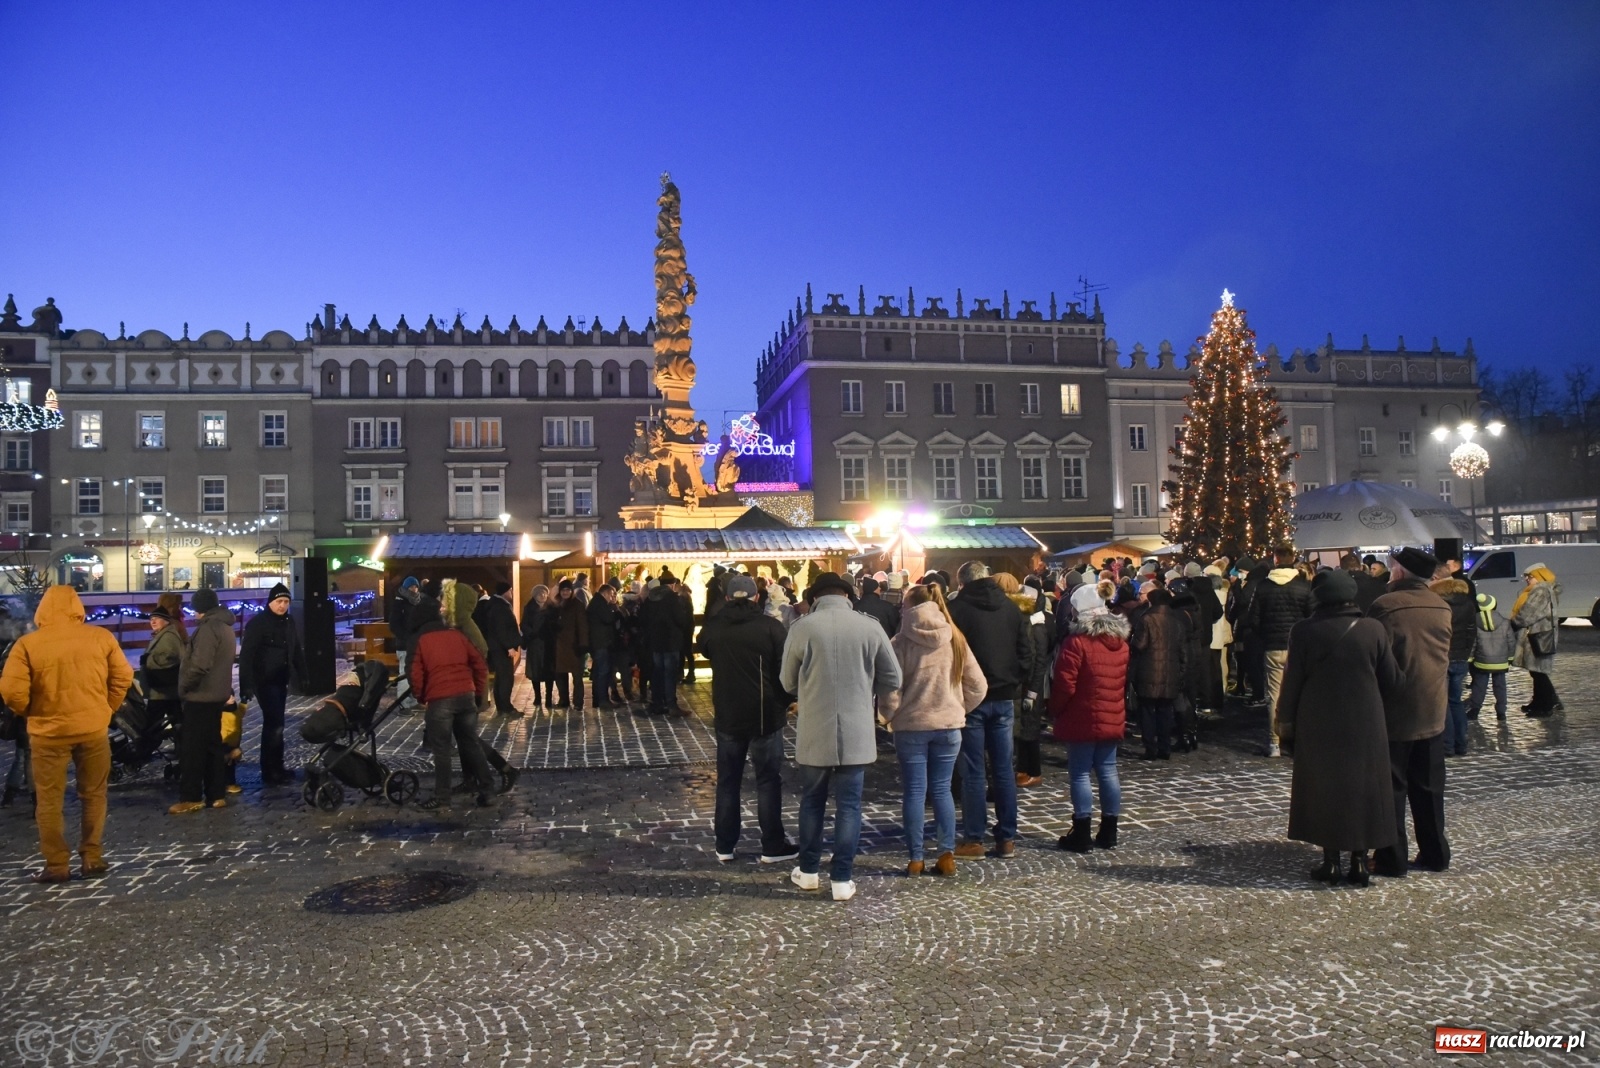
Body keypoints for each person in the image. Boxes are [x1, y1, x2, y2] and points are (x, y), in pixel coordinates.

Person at [1275, 569, 1400, 888]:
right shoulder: (1372, 629)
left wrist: (1284, 722)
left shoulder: (1304, 631)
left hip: (1318, 721)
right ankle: (1359, 861)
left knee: (1325, 789)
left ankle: (1330, 861)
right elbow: (1393, 680)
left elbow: (1292, 681)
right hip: (1365, 720)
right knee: (1363, 788)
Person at [781, 572, 901, 901]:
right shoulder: (870, 626)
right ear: (848, 595)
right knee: (849, 807)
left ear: (815, 597)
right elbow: (894, 676)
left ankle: (807, 872)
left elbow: (787, 681)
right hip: (857, 730)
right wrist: (864, 685)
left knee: (812, 803)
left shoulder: (802, 627)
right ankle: (841, 879)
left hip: (814, 729)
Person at [0, 586, 132, 882]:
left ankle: (57, 864)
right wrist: (105, 708)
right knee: (94, 794)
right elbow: (123, 676)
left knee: (49, 801)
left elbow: (10, 690)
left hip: (48, 733)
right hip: (92, 729)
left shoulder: (28, 644)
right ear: (77, 607)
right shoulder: (101, 638)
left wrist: (31, 710)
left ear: (43, 610)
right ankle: (92, 856)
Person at [881, 583, 985, 878]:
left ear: (910, 608)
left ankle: (916, 859)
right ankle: (946, 855)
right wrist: (957, 709)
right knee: (942, 790)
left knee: (914, 791)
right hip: (948, 726)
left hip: (911, 726)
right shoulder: (955, 638)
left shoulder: (899, 642)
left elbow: (891, 692)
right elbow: (978, 685)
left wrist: (886, 717)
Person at [698, 574, 798, 864]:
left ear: (728, 598)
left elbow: (704, 647)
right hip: (765, 715)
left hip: (728, 714)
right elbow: (784, 672)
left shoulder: (714, 628)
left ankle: (725, 844)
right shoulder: (771, 627)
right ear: (757, 597)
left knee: (728, 781)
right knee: (768, 781)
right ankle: (772, 845)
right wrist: (785, 701)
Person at [1366, 547, 1453, 877]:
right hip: (1433, 707)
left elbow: (1377, 658)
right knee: (1429, 788)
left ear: (1399, 572)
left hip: (1395, 711)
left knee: (1391, 788)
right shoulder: (1440, 605)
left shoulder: (1386, 606)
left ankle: (1392, 858)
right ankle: (1436, 853)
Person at [946, 561, 1034, 860]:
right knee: (1003, 770)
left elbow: (951, 655)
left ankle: (974, 838)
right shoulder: (1011, 608)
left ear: (962, 583)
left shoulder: (957, 611)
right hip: (1005, 696)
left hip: (972, 698)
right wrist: (1013, 680)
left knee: (973, 771)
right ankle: (1006, 838)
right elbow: (1027, 652)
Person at [1049, 599, 1132, 853]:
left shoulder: (1076, 643)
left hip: (1081, 715)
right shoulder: (1120, 644)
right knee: (1108, 771)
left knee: (1080, 773)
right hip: (1111, 713)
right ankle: (1109, 830)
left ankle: (1082, 831)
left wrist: (1054, 710)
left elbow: (1065, 685)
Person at [408, 596, 496, 810]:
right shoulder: (457, 634)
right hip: (465, 695)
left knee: (442, 750)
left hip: (440, 699)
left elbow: (415, 673)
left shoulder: (421, 639)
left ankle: (442, 797)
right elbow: (479, 664)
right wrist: (476, 691)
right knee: (471, 744)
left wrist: (421, 696)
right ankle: (487, 789)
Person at [172, 588, 236, 815]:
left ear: (200, 607)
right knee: (212, 748)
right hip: (216, 694)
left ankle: (190, 797)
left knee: (193, 750)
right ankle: (216, 794)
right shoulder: (225, 626)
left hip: (201, 696)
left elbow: (200, 665)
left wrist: (184, 686)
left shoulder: (208, 629)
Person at [1246, 547, 1314, 757]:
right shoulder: (1304, 586)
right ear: (1292, 560)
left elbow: (1253, 618)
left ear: (1275, 559)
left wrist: (1266, 636)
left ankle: (1275, 742)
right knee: (1301, 692)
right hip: (1299, 647)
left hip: (1273, 646)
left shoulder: (1263, 586)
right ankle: (1299, 739)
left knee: (1274, 694)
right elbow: (1312, 616)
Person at [238, 582, 307, 786]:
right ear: (270, 602)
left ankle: (276, 766)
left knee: (277, 724)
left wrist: (302, 674)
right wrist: (246, 685)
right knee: (274, 724)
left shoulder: (289, 621)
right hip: (264, 680)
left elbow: (295, 649)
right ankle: (270, 770)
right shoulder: (258, 623)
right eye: (279, 601)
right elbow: (247, 655)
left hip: (280, 678)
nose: (282, 605)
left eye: (286, 602)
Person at [997, 574, 1053, 788]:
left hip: (1031, 687)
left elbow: (1038, 662)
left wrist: (1032, 692)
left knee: (1029, 731)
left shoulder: (1037, 626)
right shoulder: (1026, 623)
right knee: (1022, 731)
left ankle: (1033, 771)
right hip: (1023, 686)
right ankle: (1023, 768)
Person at [1129, 587, 1188, 761]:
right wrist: (1181, 672)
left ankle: (1150, 748)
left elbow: (1139, 645)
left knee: (1147, 711)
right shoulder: (1177, 621)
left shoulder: (1146, 619)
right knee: (1165, 711)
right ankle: (1165, 747)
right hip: (1170, 673)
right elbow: (1183, 651)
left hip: (1147, 672)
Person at [1429, 565, 1477, 757]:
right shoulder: (1467, 601)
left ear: (1435, 578)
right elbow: (1472, 631)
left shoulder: (1438, 602)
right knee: (1455, 701)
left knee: (1444, 703)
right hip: (1461, 658)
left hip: (1443, 657)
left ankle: (1447, 745)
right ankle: (1461, 744)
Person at [1510, 563, 1562, 716]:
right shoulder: (1545, 589)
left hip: (1536, 635)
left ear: (1540, 576)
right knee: (1537, 672)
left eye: (1530, 576)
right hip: (1538, 633)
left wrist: (1514, 622)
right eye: (1526, 576)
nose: (1527, 579)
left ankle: (1545, 706)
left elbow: (1528, 614)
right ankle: (1539, 702)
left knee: (1539, 673)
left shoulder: (1540, 591)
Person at [639, 574, 692, 717]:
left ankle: (657, 703)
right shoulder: (672, 598)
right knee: (670, 674)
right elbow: (681, 619)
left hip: (655, 643)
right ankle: (671, 704)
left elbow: (643, 618)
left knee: (657, 672)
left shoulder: (650, 598)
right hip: (670, 642)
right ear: (672, 585)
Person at [141, 599, 187, 750]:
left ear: (166, 621)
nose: (153, 622)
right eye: (151, 619)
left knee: (153, 723)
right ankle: (183, 749)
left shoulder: (168, 636)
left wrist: (148, 660)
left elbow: (171, 656)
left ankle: (144, 750)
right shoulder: (163, 634)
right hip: (166, 689)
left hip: (163, 690)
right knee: (177, 721)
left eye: (156, 619)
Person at [473, 581, 522, 717]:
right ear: (505, 591)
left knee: (501, 678)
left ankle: (503, 707)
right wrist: (509, 646)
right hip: (501, 648)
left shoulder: (495, 604)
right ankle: (505, 708)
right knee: (505, 678)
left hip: (498, 647)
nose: (511, 592)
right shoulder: (499, 607)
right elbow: (501, 629)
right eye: (510, 590)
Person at [1468, 592, 1514, 723]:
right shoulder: (1505, 623)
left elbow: (1473, 643)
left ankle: (1475, 710)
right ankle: (1501, 712)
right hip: (1501, 663)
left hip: (1482, 662)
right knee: (1500, 687)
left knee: (1479, 686)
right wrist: (1510, 658)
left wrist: (1470, 659)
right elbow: (1511, 642)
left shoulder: (1475, 622)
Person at [549, 579, 590, 711]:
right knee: (560, 675)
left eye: (567, 590)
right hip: (559, 647)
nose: (565, 592)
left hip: (574, 645)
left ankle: (578, 702)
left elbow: (582, 626)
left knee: (577, 677)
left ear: (571, 591)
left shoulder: (577, 605)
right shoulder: (556, 605)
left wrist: (583, 644)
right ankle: (564, 700)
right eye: (563, 590)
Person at [586, 582, 622, 710]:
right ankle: (603, 700)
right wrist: (616, 612)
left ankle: (599, 699)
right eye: (611, 594)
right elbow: (608, 619)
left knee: (599, 672)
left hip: (599, 642)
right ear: (605, 593)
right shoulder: (600, 604)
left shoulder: (596, 602)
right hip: (601, 642)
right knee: (603, 672)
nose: (612, 598)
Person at [388, 576, 423, 699]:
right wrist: (406, 637)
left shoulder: (417, 602)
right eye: (411, 587)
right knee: (404, 674)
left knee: (415, 673)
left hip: (416, 644)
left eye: (416, 586)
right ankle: (403, 704)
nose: (414, 589)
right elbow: (394, 625)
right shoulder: (400, 602)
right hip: (404, 644)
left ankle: (413, 700)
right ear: (406, 588)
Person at [520, 585, 551, 712]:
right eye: (539, 594)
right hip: (535, 643)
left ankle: (549, 697)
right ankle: (537, 696)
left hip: (548, 643)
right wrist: (532, 633)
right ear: (535, 596)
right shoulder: (529, 608)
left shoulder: (551, 608)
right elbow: (524, 624)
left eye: (544, 593)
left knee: (549, 671)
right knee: (535, 670)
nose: (542, 595)